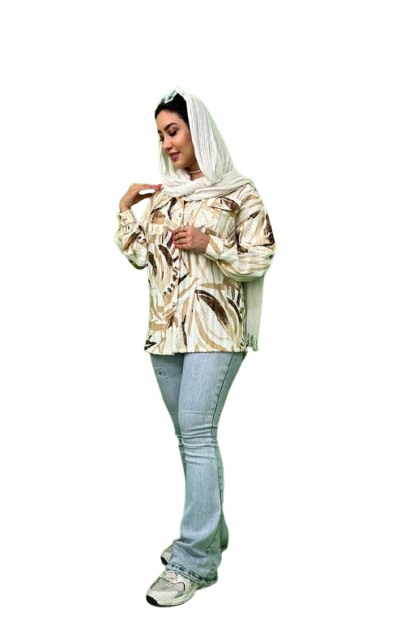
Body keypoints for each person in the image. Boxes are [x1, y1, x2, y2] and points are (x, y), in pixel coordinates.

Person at [114, 87, 277, 607]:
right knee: (188, 439)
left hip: (215, 333)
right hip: (165, 333)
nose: (167, 144)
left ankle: (195, 562)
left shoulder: (239, 191)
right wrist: (126, 212)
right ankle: (215, 534)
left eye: (174, 131)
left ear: (198, 129)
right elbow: (142, 258)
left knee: (199, 435)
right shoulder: (165, 195)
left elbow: (262, 256)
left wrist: (211, 244)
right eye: (161, 135)